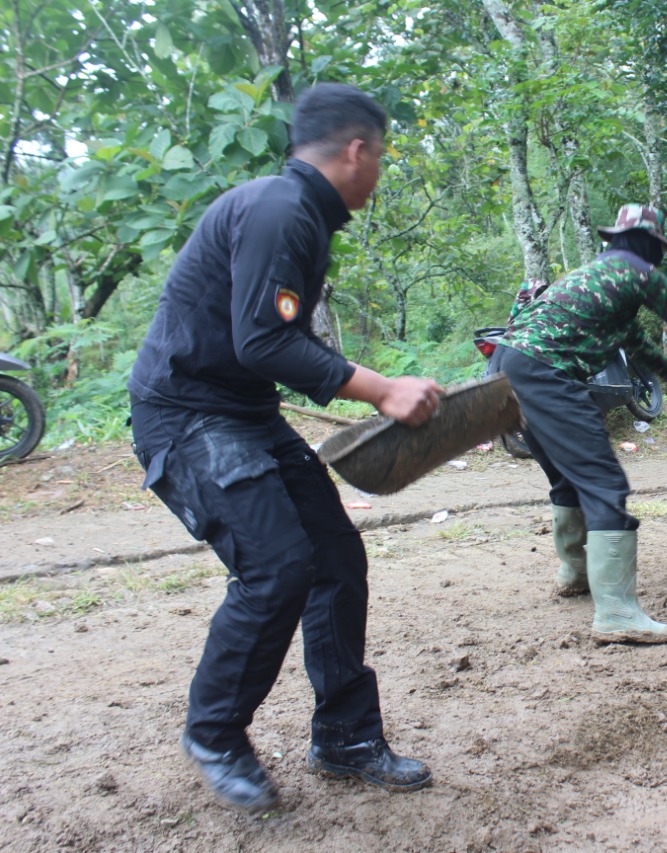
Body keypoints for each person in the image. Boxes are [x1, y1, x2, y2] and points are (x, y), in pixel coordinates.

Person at [128, 83, 441, 815]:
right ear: (356, 149)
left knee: (334, 557)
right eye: (382, 155)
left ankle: (345, 735)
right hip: (187, 415)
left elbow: (274, 340)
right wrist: (381, 388)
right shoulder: (278, 208)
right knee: (277, 566)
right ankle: (214, 732)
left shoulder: (300, 216)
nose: (381, 170)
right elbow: (261, 339)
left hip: (242, 411)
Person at [494, 204, 667, 645]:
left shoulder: (594, 282)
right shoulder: (639, 271)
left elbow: (637, 344)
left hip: (508, 368)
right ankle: (616, 613)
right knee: (604, 484)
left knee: (566, 475)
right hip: (547, 373)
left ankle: (574, 573)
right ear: (651, 245)